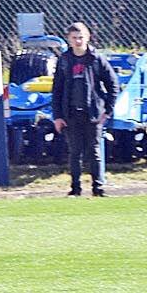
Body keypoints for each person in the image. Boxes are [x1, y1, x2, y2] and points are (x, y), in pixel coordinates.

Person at [51, 21, 119, 197]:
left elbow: (113, 84)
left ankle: (98, 188)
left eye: (81, 37)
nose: (78, 41)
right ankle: (75, 189)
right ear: (69, 40)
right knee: (75, 153)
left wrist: (108, 110)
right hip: (71, 113)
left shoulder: (96, 59)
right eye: (74, 38)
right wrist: (58, 116)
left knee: (94, 151)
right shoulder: (64, 61)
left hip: (93, 113)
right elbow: (56, 90)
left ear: (88, 37)